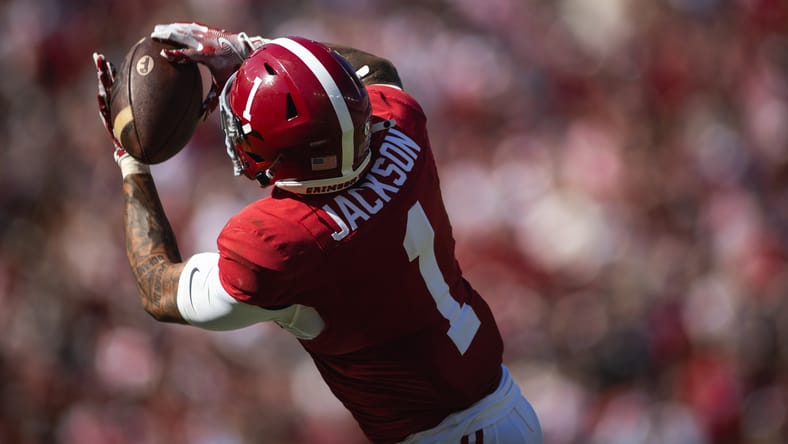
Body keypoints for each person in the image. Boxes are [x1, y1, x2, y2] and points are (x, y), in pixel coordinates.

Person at [93, 22, 543, 444]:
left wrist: (130, 157)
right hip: (508, 404)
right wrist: (251, 50)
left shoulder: (285, 243)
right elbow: (375, 70)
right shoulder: (402, 127)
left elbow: (157, 286)